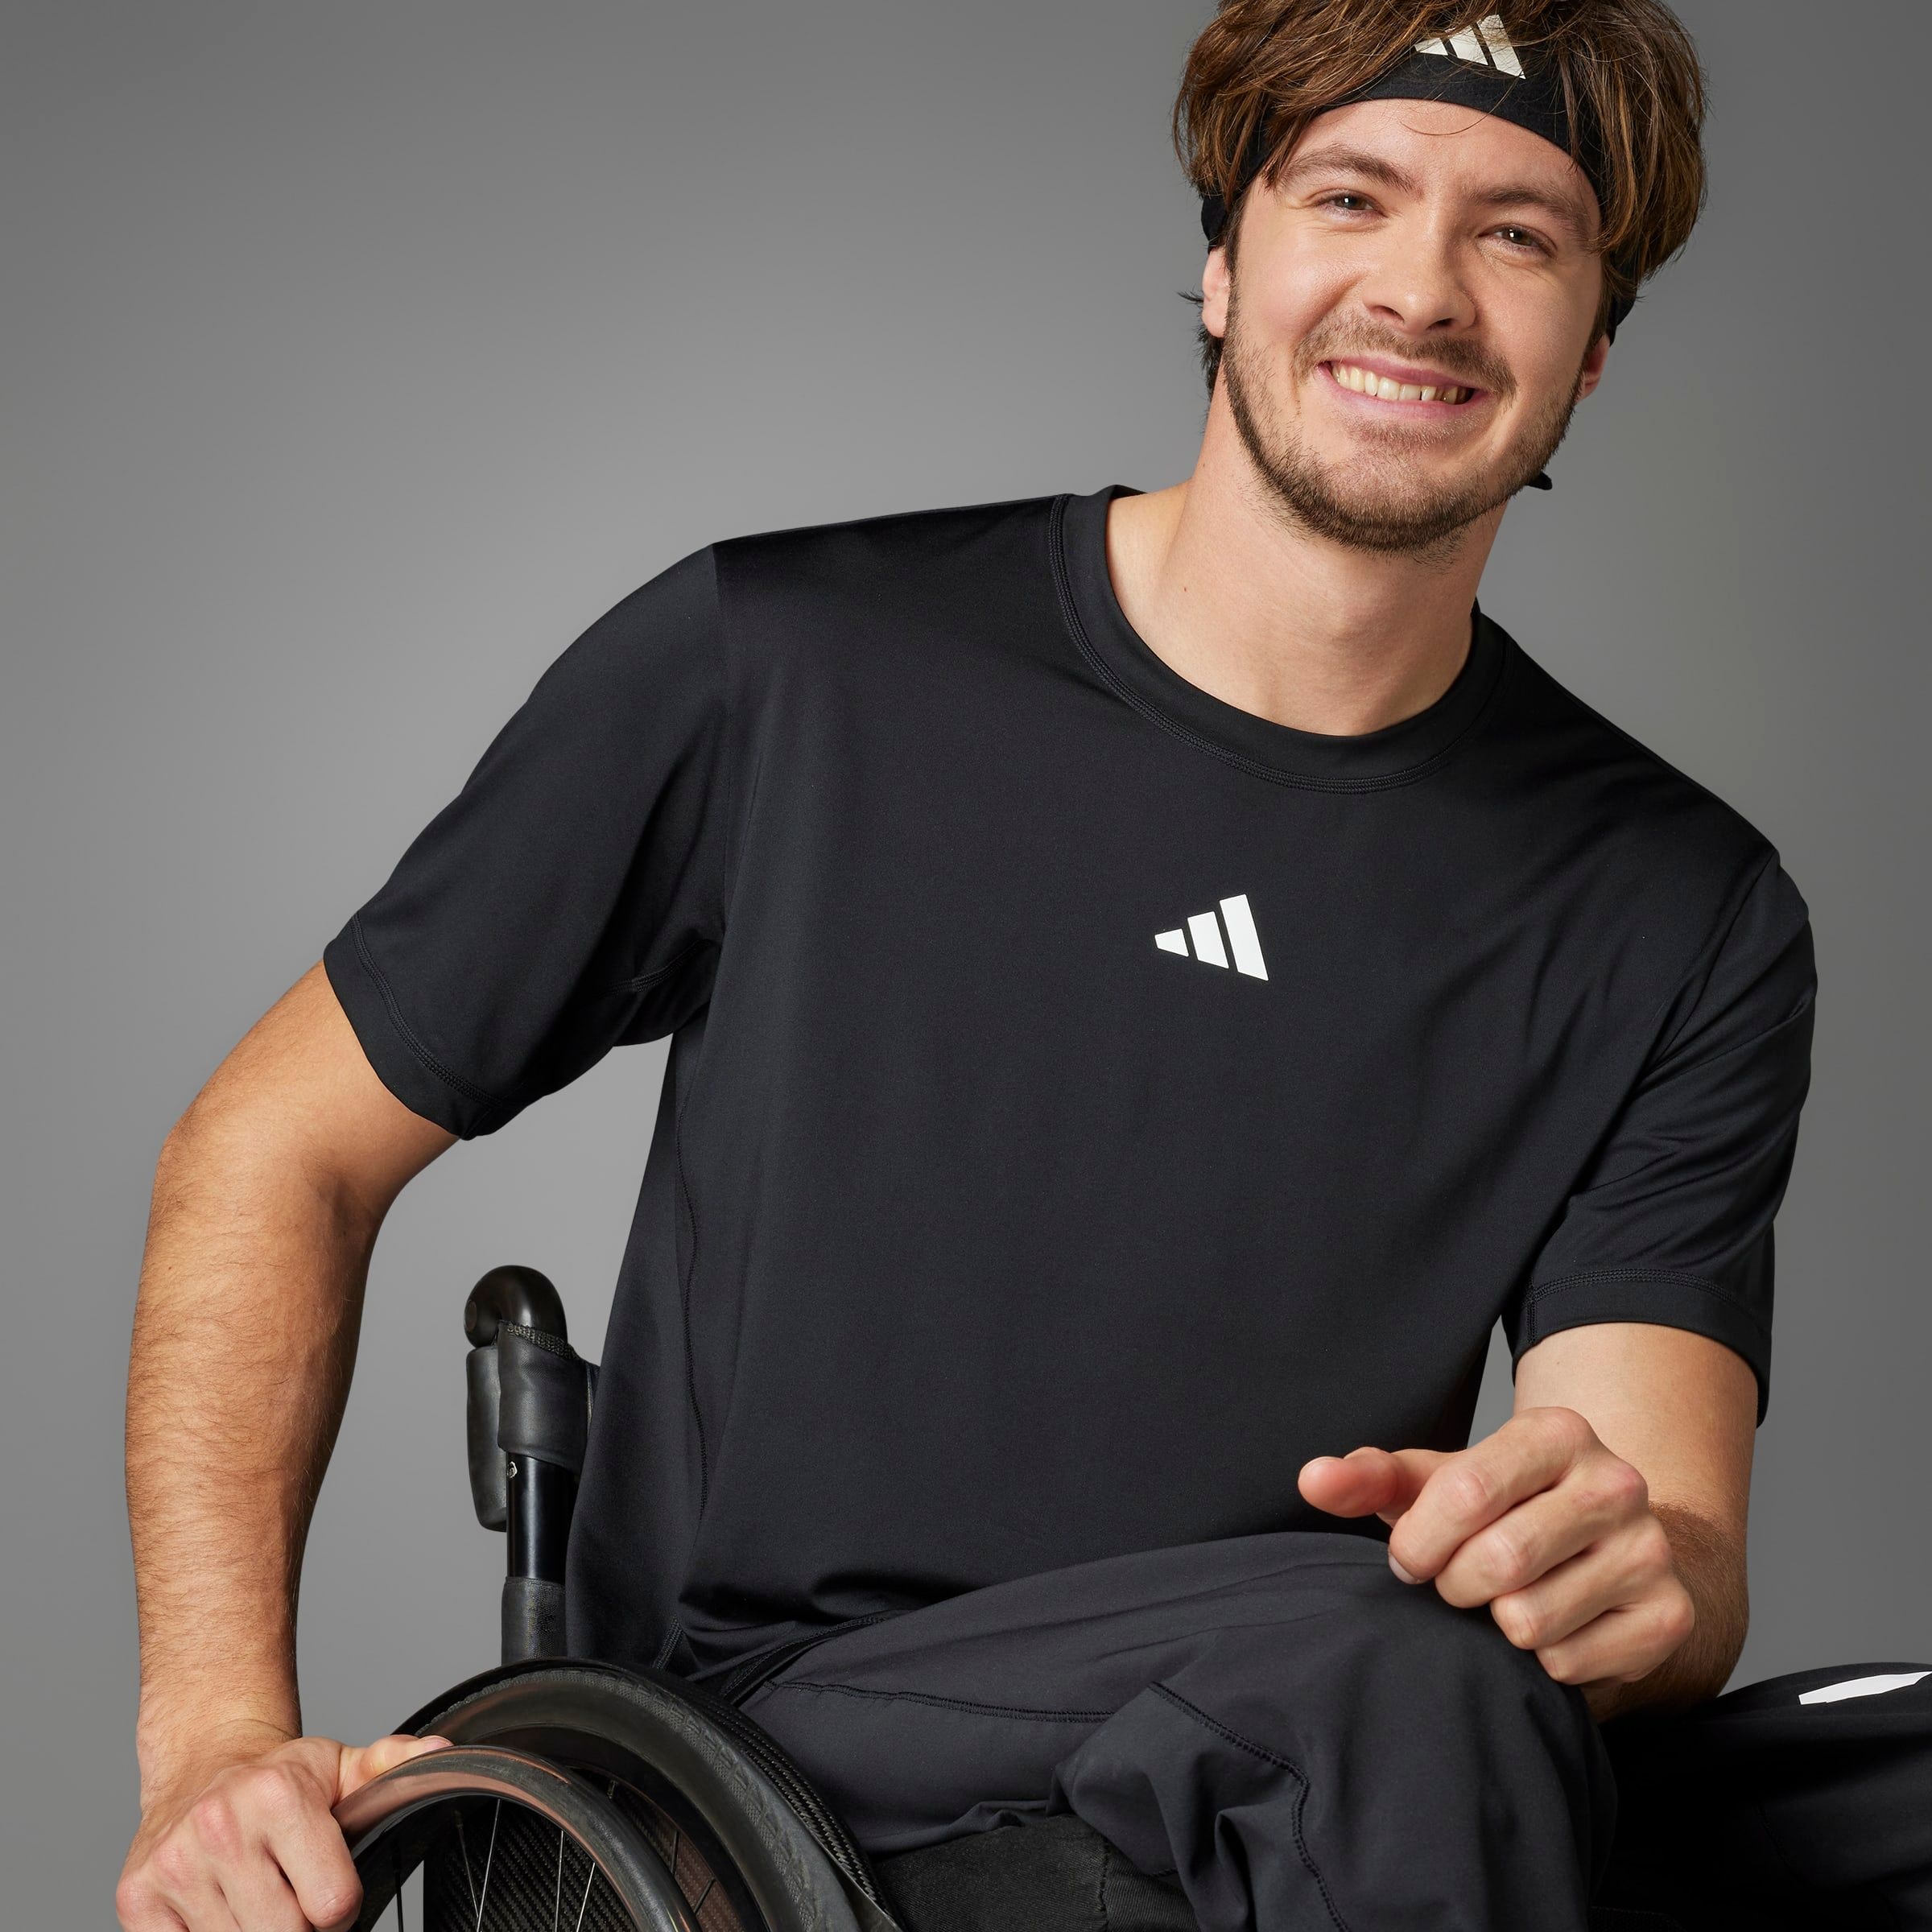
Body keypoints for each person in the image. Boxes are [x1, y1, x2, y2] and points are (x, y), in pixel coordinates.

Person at [116, 4, 1931, 1930]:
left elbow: (1665, 1544)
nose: (1421, 289)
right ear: (1222, 265)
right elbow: (275, 1147)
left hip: (1322, 1728)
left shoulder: (1677, 904)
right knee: (1392, 1687)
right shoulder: (788, 667)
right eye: (1351, 197)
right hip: (776, 1757)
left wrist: (1616, 1574)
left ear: (1593, 343)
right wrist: (214, 1740)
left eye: (1519, 234)